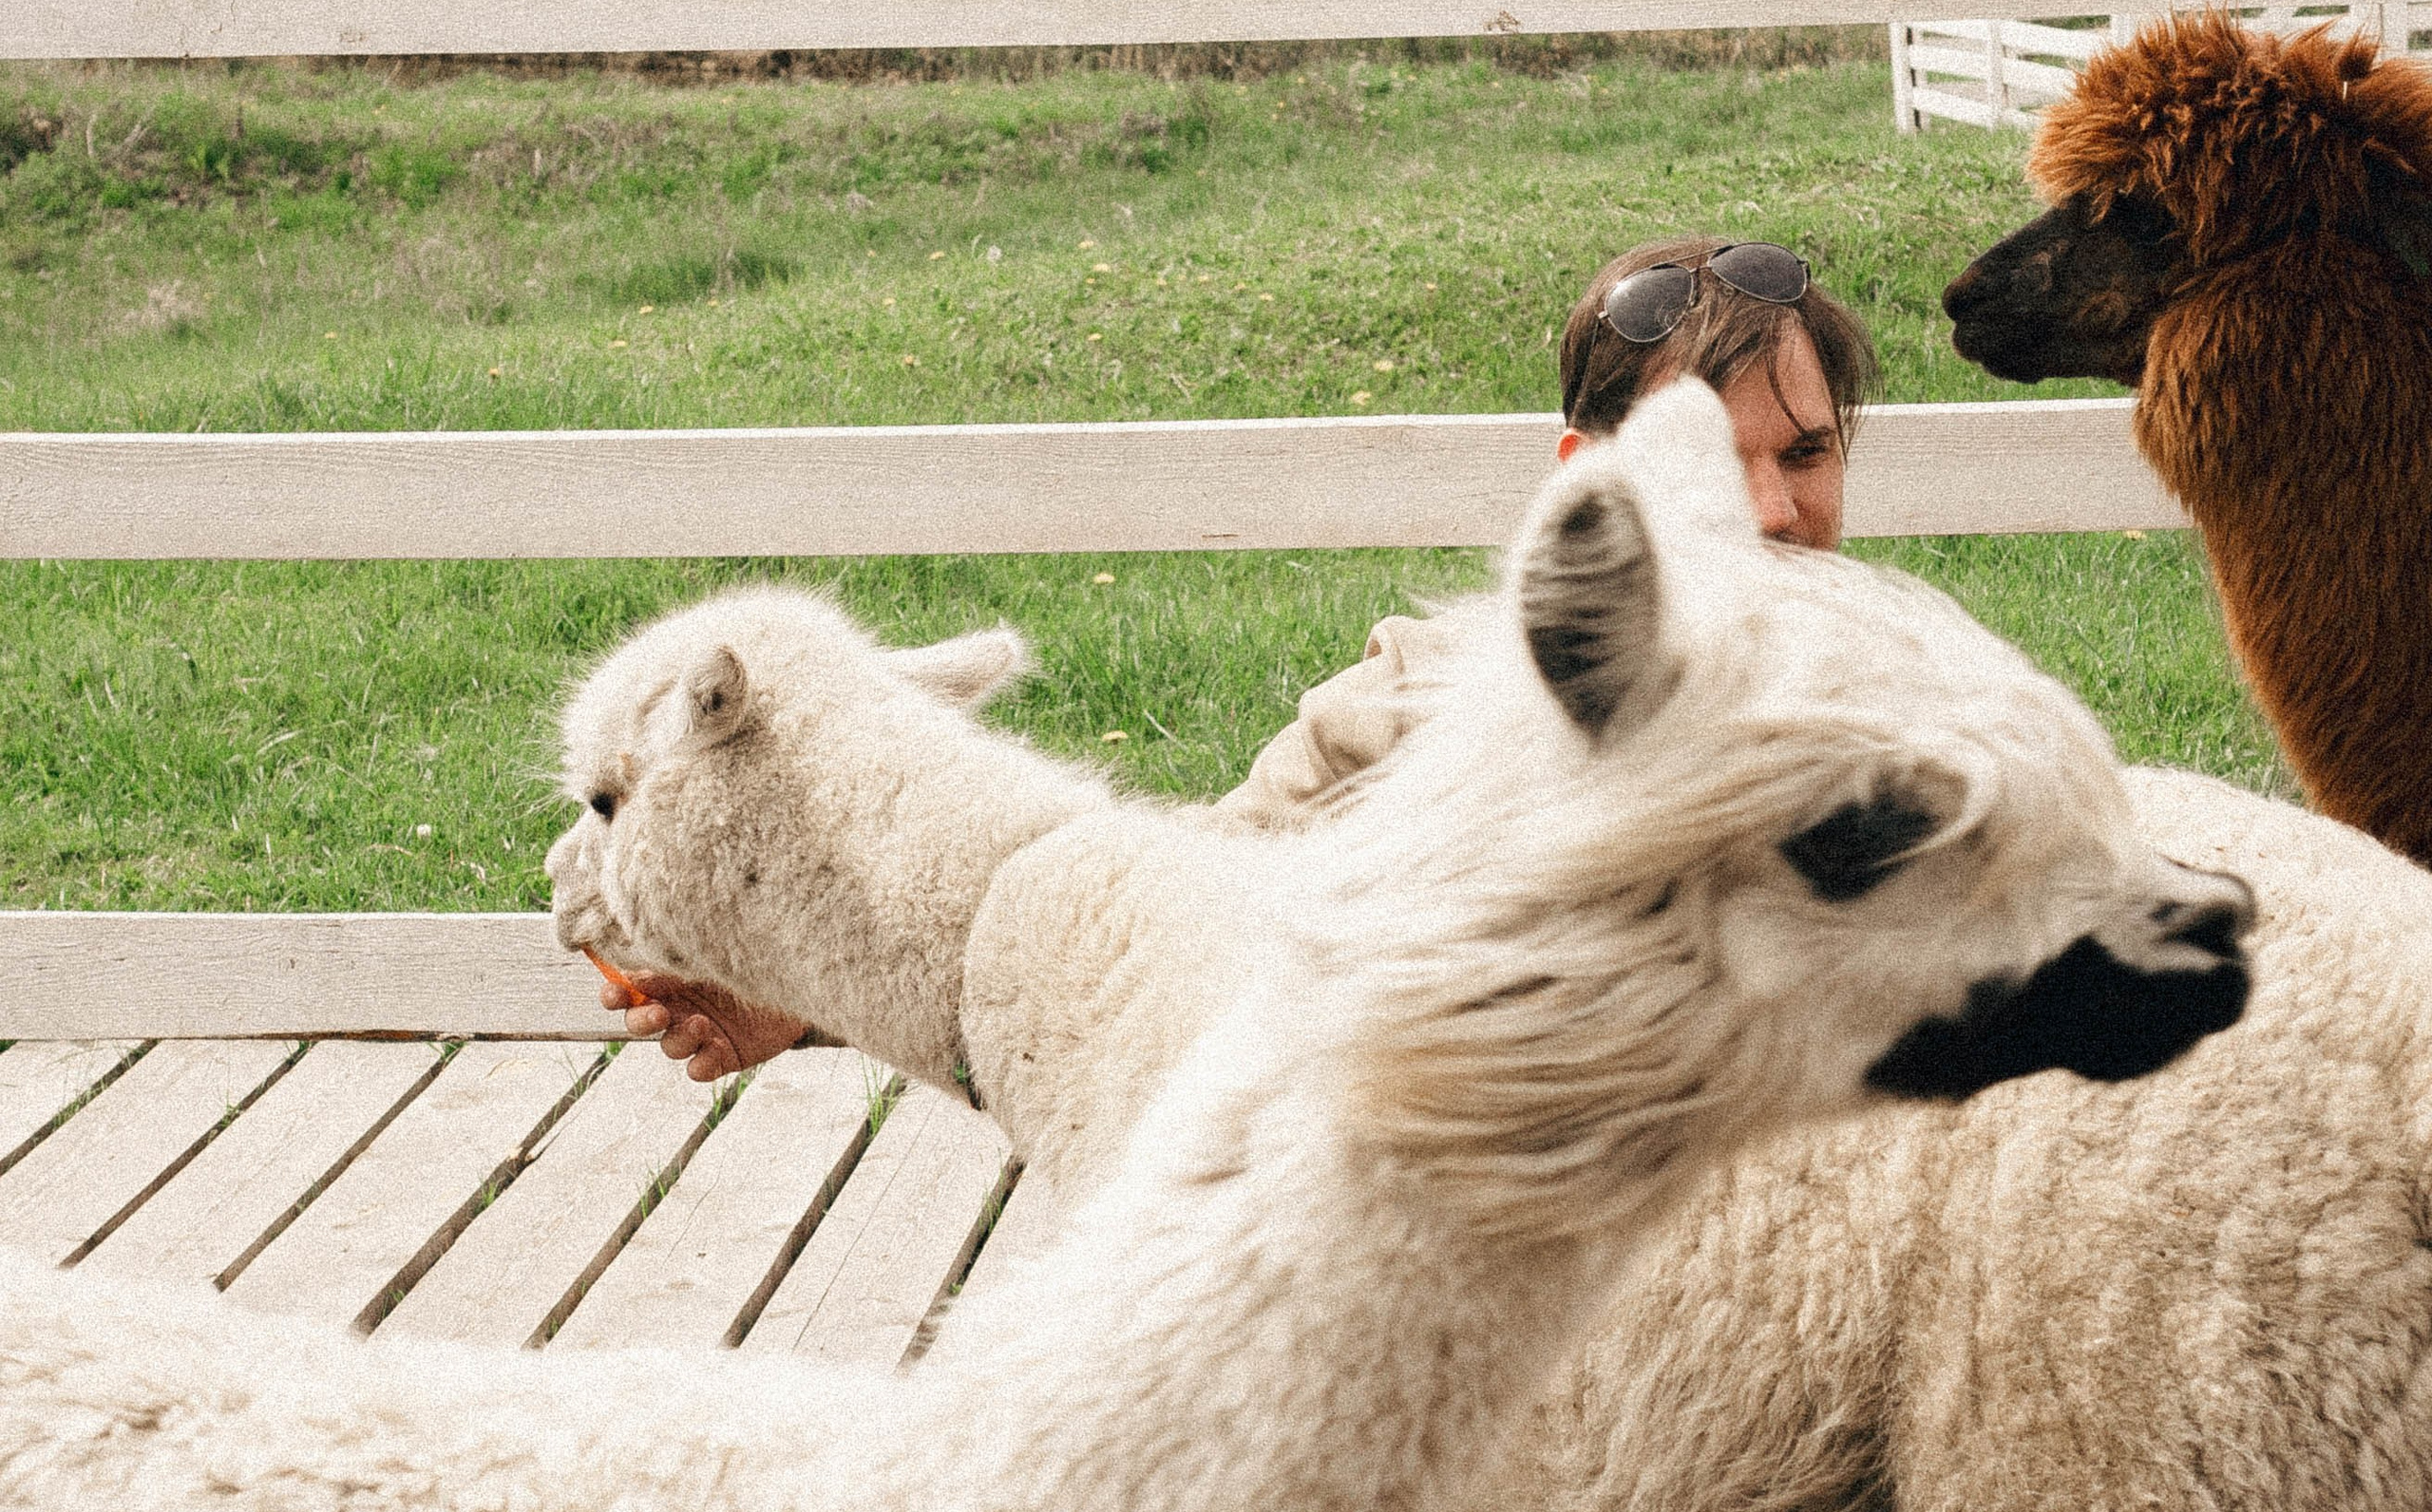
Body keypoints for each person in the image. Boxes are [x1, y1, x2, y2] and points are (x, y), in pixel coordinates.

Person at [600, 236, 1880, 1077]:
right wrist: (813, 1007)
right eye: (1709, 458)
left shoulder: (1928, 742)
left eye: (1806, 454)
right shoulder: (1415, 707)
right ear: (1583, 482)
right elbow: (1154, 946)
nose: (1770, 511)